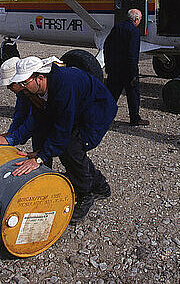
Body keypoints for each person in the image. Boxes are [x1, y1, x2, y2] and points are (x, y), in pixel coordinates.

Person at [10, 56, 117, 223]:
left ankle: (85, 194)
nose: (22, 88)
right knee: (64, 147)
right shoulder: (35, 90)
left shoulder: (63, 85)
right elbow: (41, 124)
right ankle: (100, 186)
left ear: (40, 78)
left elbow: (62, 127)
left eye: (24, 83)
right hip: (77, 109)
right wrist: (40, 153)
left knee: (72, 148)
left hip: (97, 111)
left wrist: (40, 158)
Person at [0, 56, 54, 168]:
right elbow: (20, 114)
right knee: (39, 143)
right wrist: (10, 134)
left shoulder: (34, 90)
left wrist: (11, 139)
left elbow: (34, 120)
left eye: (10, 85)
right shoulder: (23, 92)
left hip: (57, 122)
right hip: (43, 123)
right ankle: (44, 173)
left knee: (68, 153)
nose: (9, 88)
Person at [104, 8, 149, 126]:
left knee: (112, 95)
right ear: (137, 19)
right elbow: (132, 54)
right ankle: (135, 119)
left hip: (114, 68)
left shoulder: (117, 27)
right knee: (133, 95)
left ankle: (105, 117)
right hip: (127, 70)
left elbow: (107, 46)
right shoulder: (134, 31)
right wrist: (134, 72)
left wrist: (108, 65)